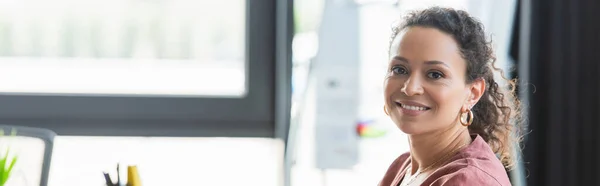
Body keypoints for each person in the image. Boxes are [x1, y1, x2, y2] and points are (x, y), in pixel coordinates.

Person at [378, 7, 523, 186]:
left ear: (473, 93)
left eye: (435, 74)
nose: (410, 88)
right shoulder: (402, 166)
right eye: (399, 69)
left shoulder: (469, 180)